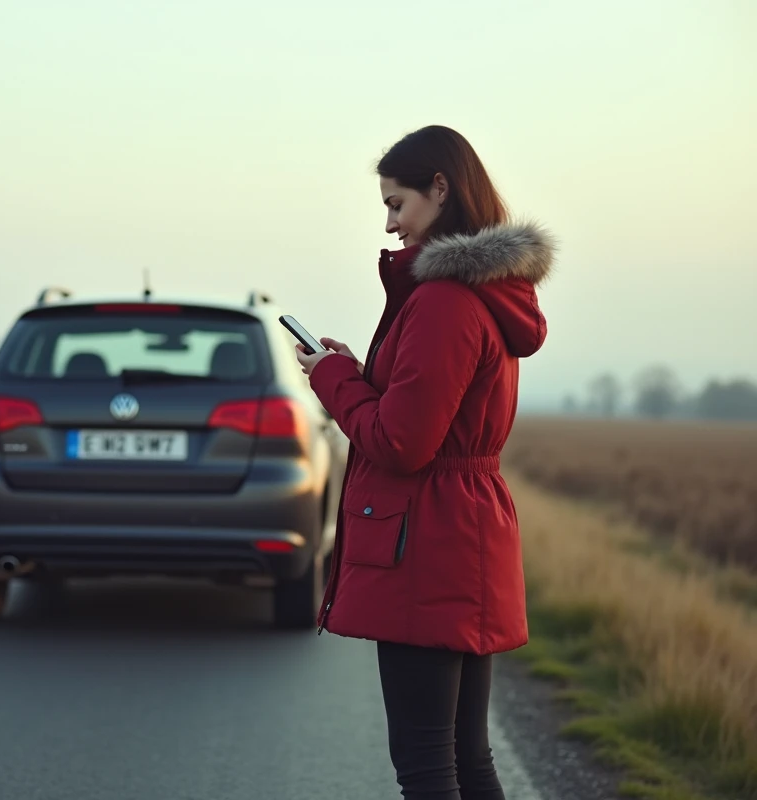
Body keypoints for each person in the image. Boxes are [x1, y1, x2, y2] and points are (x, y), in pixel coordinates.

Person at [294, 125, 555, 799]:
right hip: (460, 532)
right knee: (465, 757)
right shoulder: (488, 292)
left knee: (427, 761)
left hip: (426, 543)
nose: (389, 225)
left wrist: (331, 382)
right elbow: (425, 411)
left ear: (440, 189)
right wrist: (351, 369)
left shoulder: (442, 301)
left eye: (396, 203)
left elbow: (403, 442)